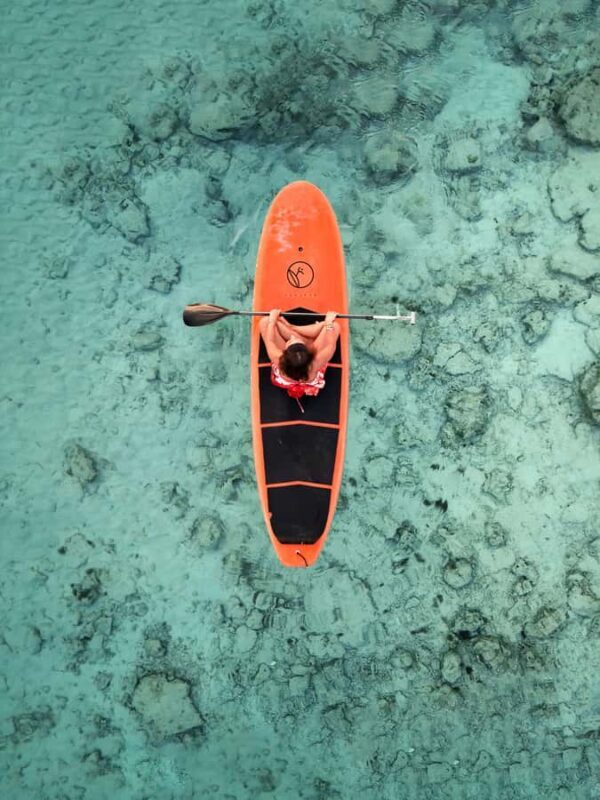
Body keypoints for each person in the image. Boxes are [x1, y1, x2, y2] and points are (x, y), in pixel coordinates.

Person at [259, 309, 340, 409]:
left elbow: (270, 341)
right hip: (309, 376)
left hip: (285, 379)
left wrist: (272, 320)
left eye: (292, 341)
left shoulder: (278, 358)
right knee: (334, 326)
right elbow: (330, 344)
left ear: (284, 354)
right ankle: (300, 333)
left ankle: (293, 329)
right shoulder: (316, 362)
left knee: (265, 322)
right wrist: (328, 323)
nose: (293, 338)